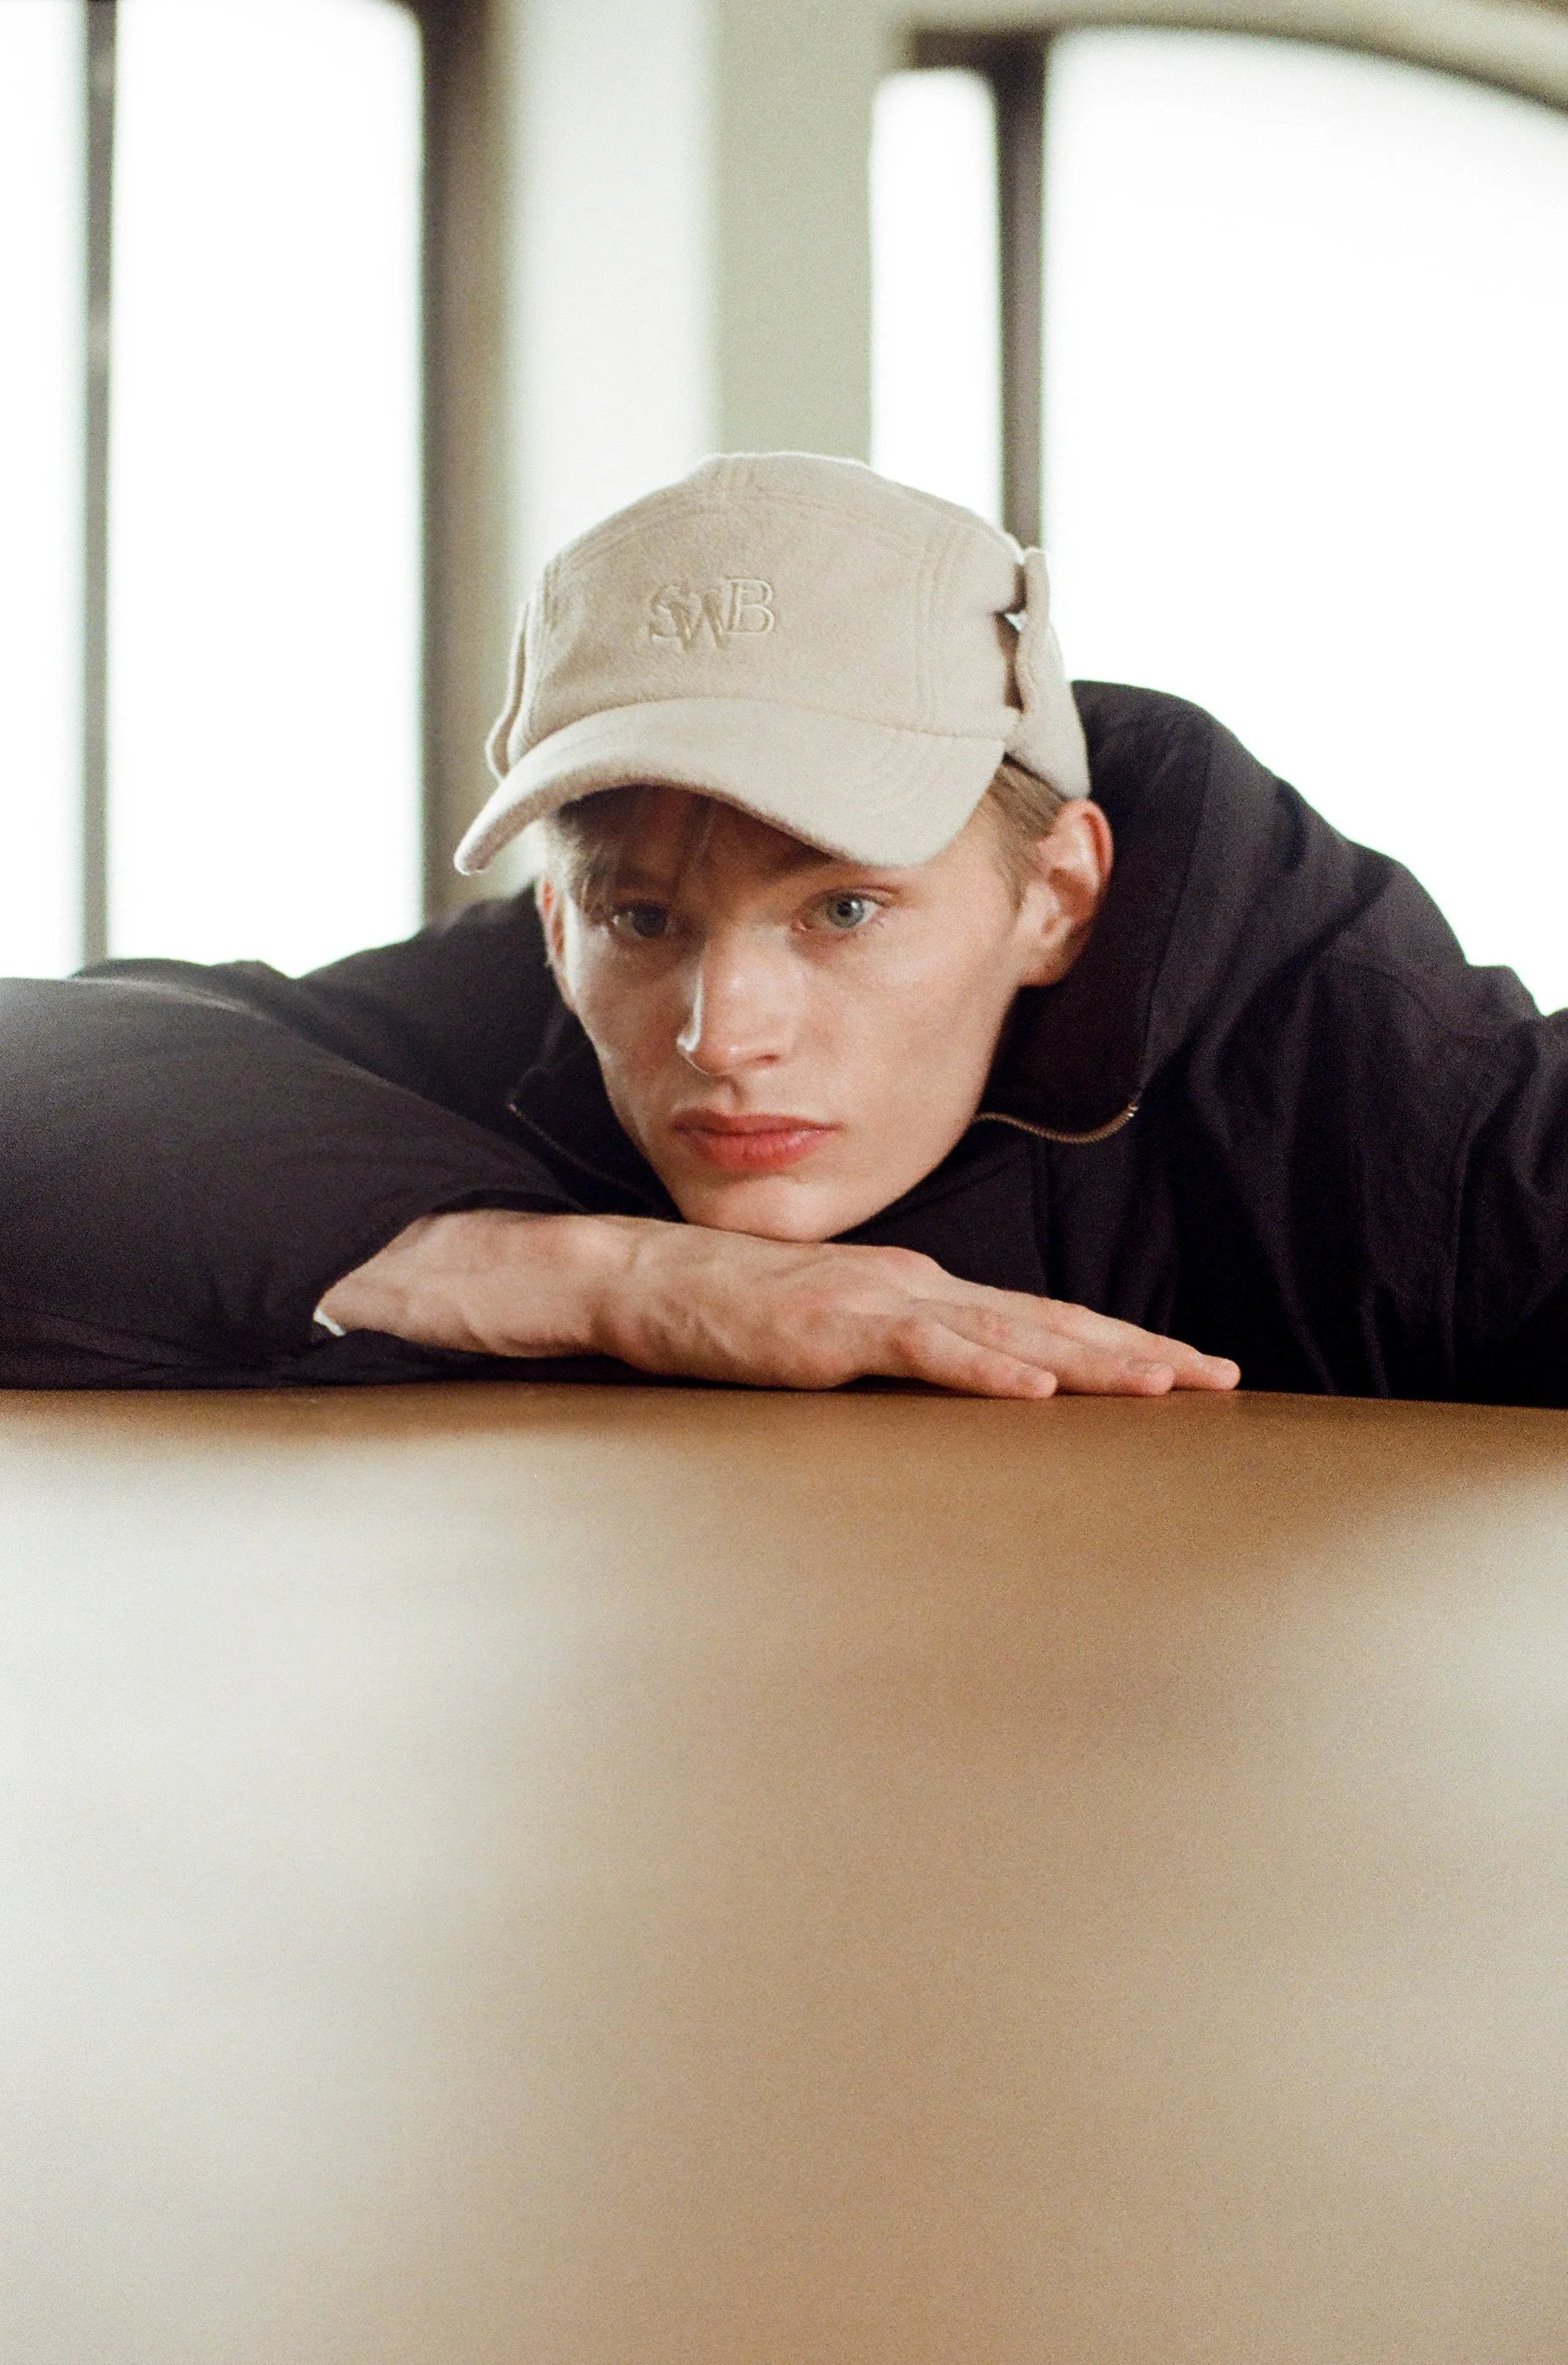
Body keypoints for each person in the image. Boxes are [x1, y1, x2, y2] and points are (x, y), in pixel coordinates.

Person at [2, 453, 1565, 1401]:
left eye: (842, 905)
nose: (718, 1029)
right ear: (557, 923)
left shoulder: (1357, 1075)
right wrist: (610, 1274)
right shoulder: (549, 999)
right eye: (642, 914)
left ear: (1060, 897)